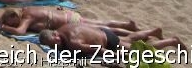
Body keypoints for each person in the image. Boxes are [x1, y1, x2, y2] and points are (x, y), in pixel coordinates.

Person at [39, 24, 183, 56]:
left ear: (55, 35)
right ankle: (153, 31)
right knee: (129, 39)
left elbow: (98, 50)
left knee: (137, 51)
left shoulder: (73, 43)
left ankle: (172, 41)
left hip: (107, 42)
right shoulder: (63, 27)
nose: (57, 45)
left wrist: (116, 56)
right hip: (103, 32)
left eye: (55, 42)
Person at [0, 7, 138, 37]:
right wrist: (2, 21)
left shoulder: (26, 17)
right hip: (69, 15)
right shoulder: (26, 9)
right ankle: (127, 25)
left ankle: (133, 30)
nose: (13, 25)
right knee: (102, 24)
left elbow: (20, 32)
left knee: (104, 29)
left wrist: (3, 27)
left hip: (71, 22)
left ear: (13, 15)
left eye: (11, 22)